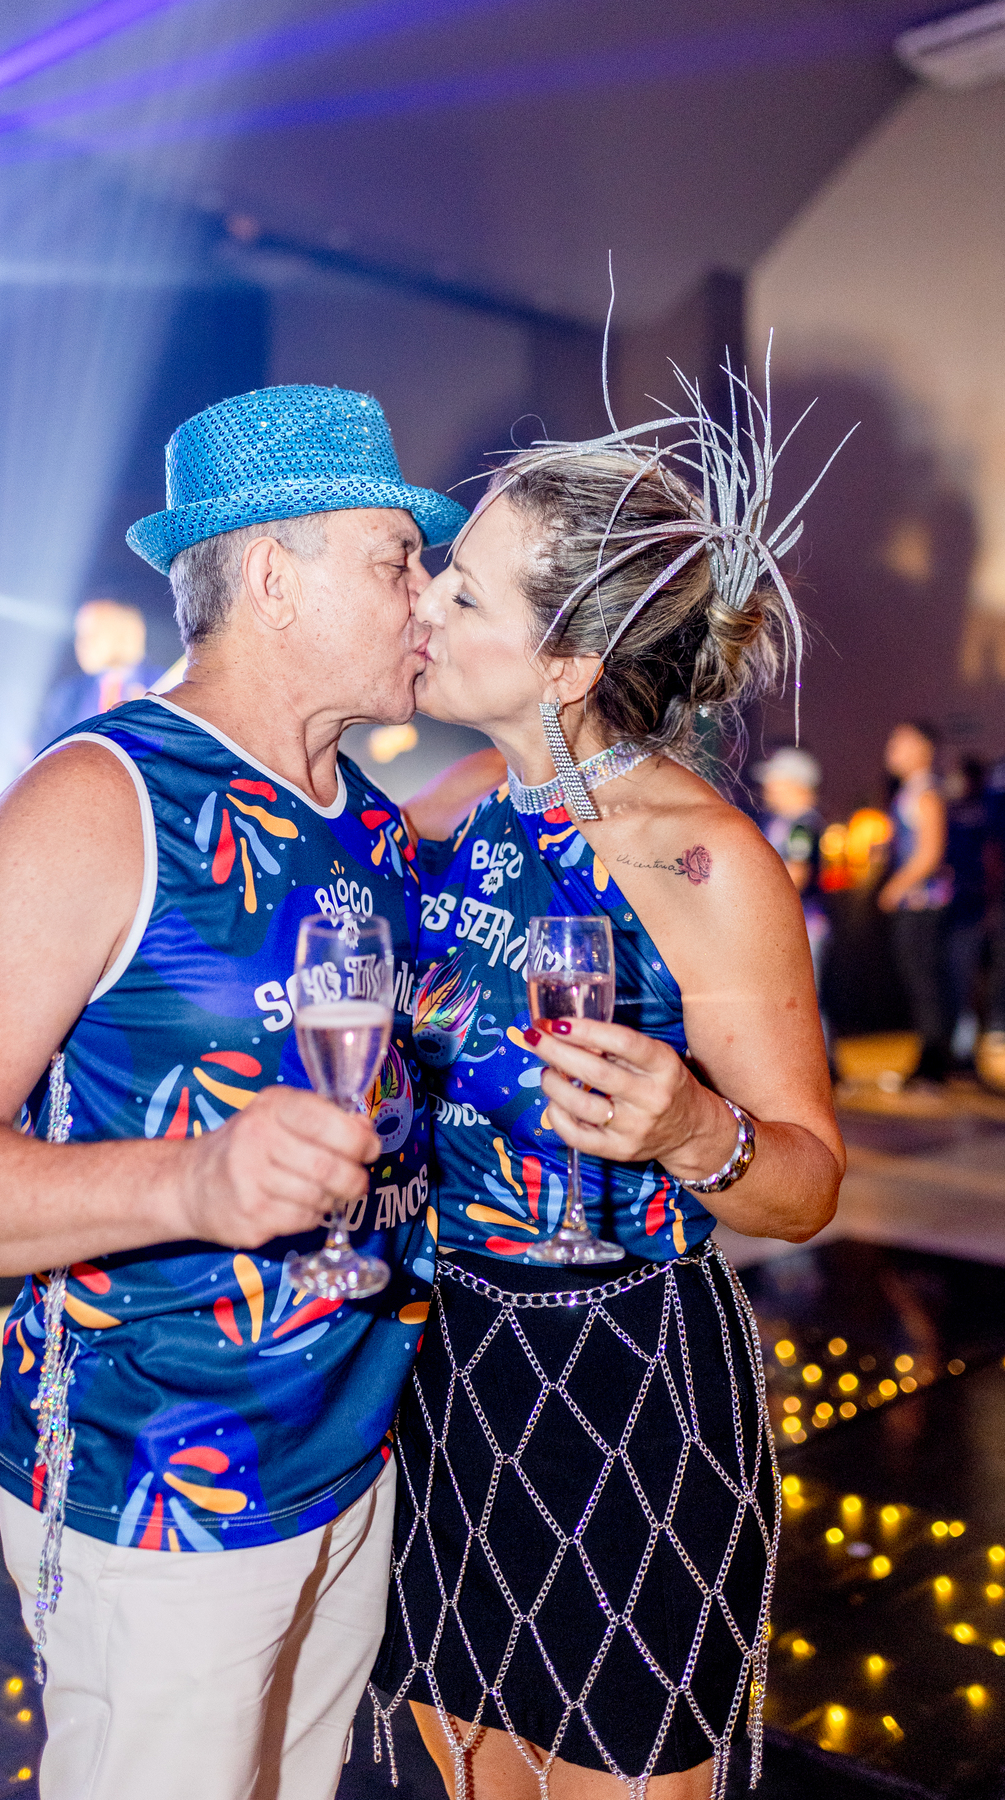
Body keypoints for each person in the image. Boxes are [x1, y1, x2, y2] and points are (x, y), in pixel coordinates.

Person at [0, 385, 468, 1800]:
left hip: (352, 1465)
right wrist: (193, 1179)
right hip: (162, 1492)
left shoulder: (372, 825)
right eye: (397, 560)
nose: (426, 597)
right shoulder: (100, 799)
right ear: (274, 574)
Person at [372, 374, 845, 1799]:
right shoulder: (454, 807)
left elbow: (807, 1183)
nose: (424, 604)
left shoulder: (703, 861)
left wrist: (696, 1129)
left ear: (569, 663)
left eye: (464, 593)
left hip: (626, 1391)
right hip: (441, 1379)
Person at [878, 721, 952, 1086]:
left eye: (901, 742)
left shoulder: (925, 792)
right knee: (919, 982)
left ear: (925, 749)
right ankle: (930, 1058)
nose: (892, 748)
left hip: (923, 904)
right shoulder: (909, 792)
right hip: (916, 903)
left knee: (925, 982)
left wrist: (895, 887)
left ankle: (934, 1063)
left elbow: (930, 852)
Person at [753, 746, 831, 1050]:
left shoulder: (802, 824)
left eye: (774, 780)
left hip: (804, 925)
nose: (767, 787)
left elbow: (796, 875)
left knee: (805, 998)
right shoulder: (783, 822)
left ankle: (822, 1062)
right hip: (789, 923)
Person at [36, 598, 164, 746]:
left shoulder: (165, 686)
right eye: (80, 635)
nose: (82, 643)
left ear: (126, 634)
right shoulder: (68, 695)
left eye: (94, 633)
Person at [944, 756, 991, 1066]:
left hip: (973, 908)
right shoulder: (952, 811)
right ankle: (958, 1048)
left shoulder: (985, 814)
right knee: (955, 979)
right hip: (954, 907)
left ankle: (965, 1050)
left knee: (968, 979)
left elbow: (991, 859)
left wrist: (990, 905)